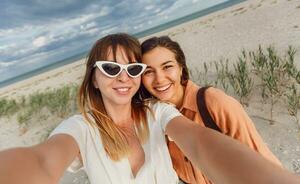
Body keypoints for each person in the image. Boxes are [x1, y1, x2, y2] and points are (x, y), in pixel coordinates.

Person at [0, 33, 299, 184]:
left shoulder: (157, 113)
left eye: (132, 68)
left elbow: (200, 143)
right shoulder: (81, 129)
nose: (122, 76)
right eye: (110, 67)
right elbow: (40, 160)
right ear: (93, 77)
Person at [141, 36, 282, 184]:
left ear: (181, 68)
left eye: (167, 67)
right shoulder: (152, 118)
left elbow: (260, 159)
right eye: (148, 72)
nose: (159, 79)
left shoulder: (213, 102)